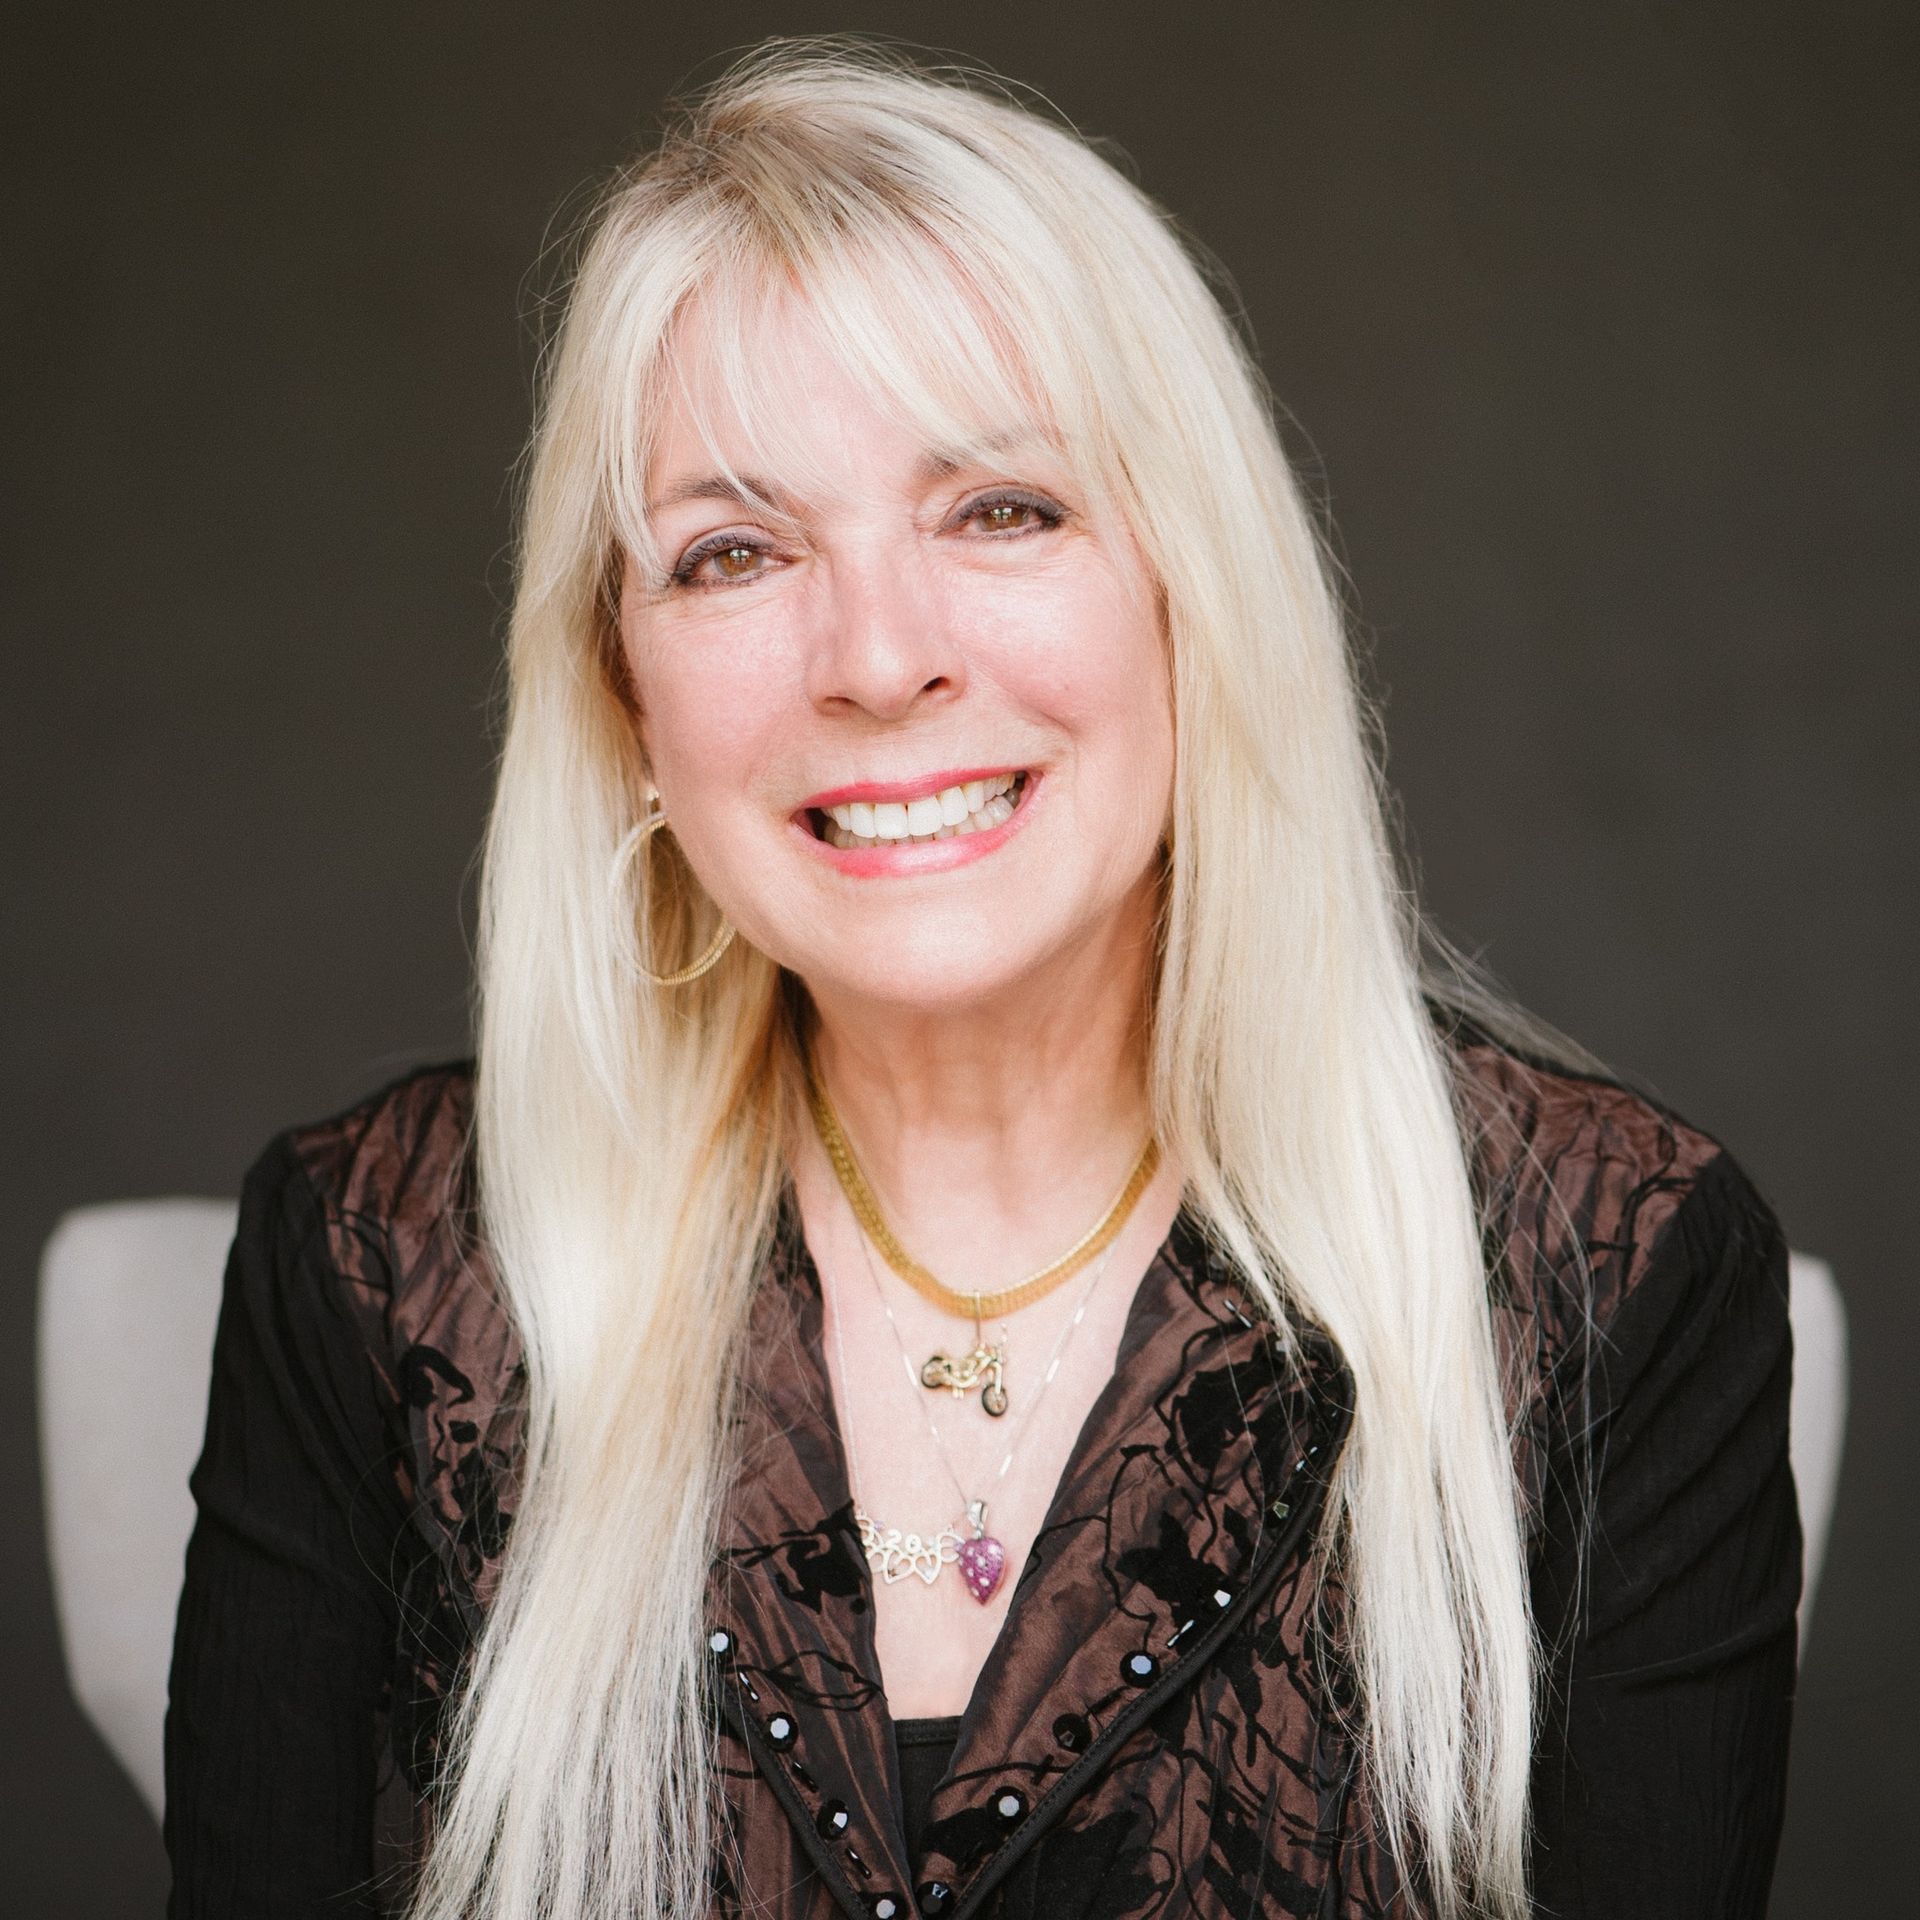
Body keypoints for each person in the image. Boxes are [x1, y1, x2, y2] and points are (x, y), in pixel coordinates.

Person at [163, 41, 1800, 1920]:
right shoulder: (380, 1262)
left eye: (1000, 509)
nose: (877, 657)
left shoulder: (1609, 1264)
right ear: (625, 700)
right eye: (733, 551)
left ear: (1199, 588)